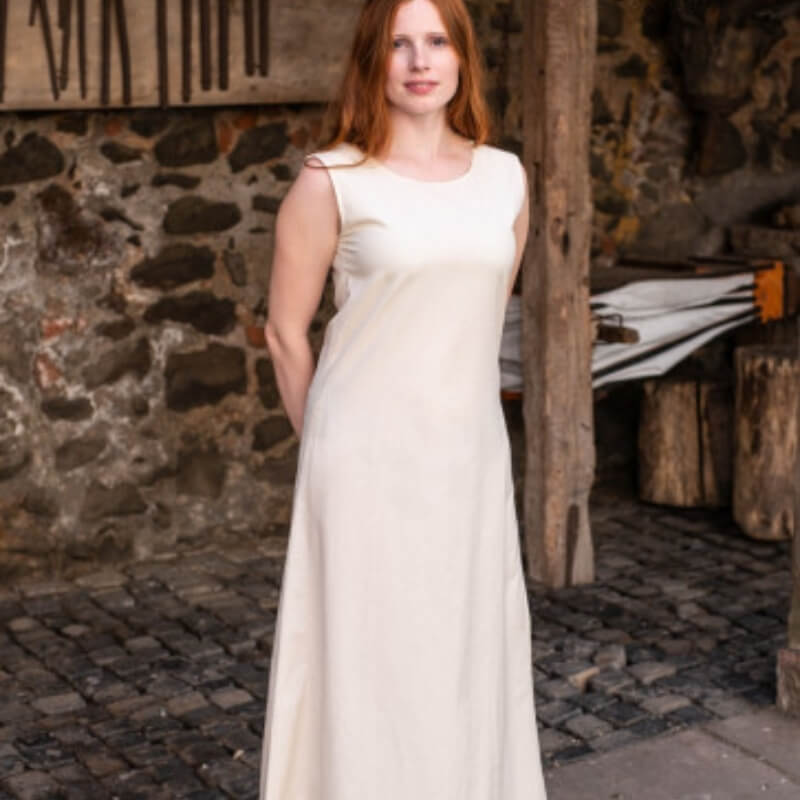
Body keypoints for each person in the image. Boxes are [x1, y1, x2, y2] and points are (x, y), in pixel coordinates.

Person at [259, 0, 548, 797]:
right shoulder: (331, 181)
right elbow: (285, 333)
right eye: (399, 45)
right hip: (364, 464)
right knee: (369, 663)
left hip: (468, 459)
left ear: (461, 58)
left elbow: (479, 313)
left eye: (437, 42)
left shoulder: (505, 179)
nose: (420, 62)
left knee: (461, 653)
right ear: (372, 60)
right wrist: (330, 452)